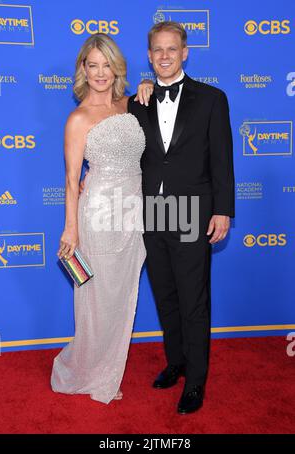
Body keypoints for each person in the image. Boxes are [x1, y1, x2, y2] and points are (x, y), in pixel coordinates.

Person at [128, 21, 235, 414]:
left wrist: (223, 209)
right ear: (150, 54)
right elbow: (125, 153)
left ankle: (196, 381)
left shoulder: (211, 98)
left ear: (185, 52)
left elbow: (222, 159)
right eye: (157, 50)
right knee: (166, 294)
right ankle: (176, 361)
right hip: (152, 210)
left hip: (193, 209)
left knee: (193, 300)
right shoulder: (139, 100)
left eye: (172, 49)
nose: (165, 56)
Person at [51, 33, 152, 404]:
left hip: (137, 212)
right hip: (100, 213)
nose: (99, 72)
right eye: (92, 65)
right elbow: (71, 180)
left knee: (124, 294)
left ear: (116, 68)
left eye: (105, 64)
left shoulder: (132, 105)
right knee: (98, 296)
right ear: (83, 69)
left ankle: (108, 366)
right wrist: (71, 228)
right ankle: (92, 371)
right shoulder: (78, 119)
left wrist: (148, 85)